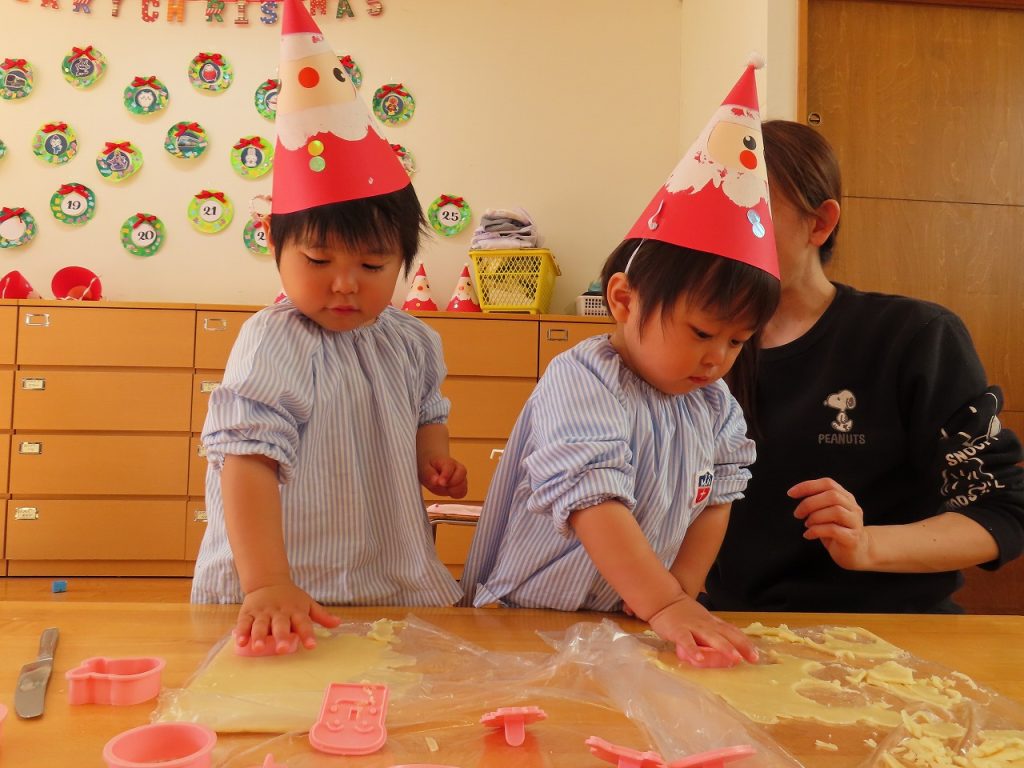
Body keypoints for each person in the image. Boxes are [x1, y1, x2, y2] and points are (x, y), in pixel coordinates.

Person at [460, 57, 779, 666]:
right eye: (702, 332)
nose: (717, 358)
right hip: (529, 620)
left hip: (630, 618)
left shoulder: (715, 405)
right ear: (625, 300)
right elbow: (593, 501)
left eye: (738, 341)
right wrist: (666, 603)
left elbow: (718, 498)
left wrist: (682, 589)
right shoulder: (584, 379)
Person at [191, 0, 467, 652]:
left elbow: (427, 410)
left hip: (387, 575)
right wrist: (266, 583)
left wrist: (435, 459)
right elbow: (247, 460)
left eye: (372, 265)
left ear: (403, 262)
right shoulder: (274, 340)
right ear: (277, 248)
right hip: (280, 584)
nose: (345, 283)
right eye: (318, 261)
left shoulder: (413, 340)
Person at [706, 119, 1024, 613]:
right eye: (713, 212)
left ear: (820, 223)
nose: (725, 235)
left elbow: (1003, 508)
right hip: (733, 627)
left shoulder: (913, 337)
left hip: (888, 630)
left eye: (749, 210)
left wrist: (867, 544)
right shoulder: (700, 347)